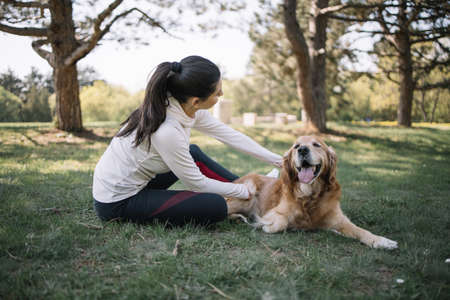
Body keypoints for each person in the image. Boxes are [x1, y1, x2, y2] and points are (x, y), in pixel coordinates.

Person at [93, 55, 282, 226]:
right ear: (196, 101)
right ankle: (250, 196)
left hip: (142, 182)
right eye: (217, 93)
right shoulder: (167, 130)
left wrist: (278, 160)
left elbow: (230, 135)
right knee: (215, 206)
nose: (221, 95)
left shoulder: (182, 104)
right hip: (117, 202)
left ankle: (258, 188)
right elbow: (197, 184)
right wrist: (242, 191)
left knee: (193, 153)